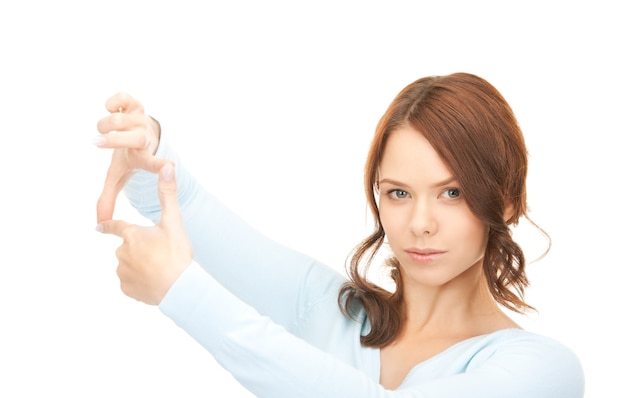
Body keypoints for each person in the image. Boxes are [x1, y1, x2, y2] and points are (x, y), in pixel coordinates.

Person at [94, 72, 585, 397]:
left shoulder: (543, 371)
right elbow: (190, 206)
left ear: (506, 201)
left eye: (452, 194)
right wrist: (147, 155)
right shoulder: (333, 312)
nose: (420, 222)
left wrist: (184, 295)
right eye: (398, 193)